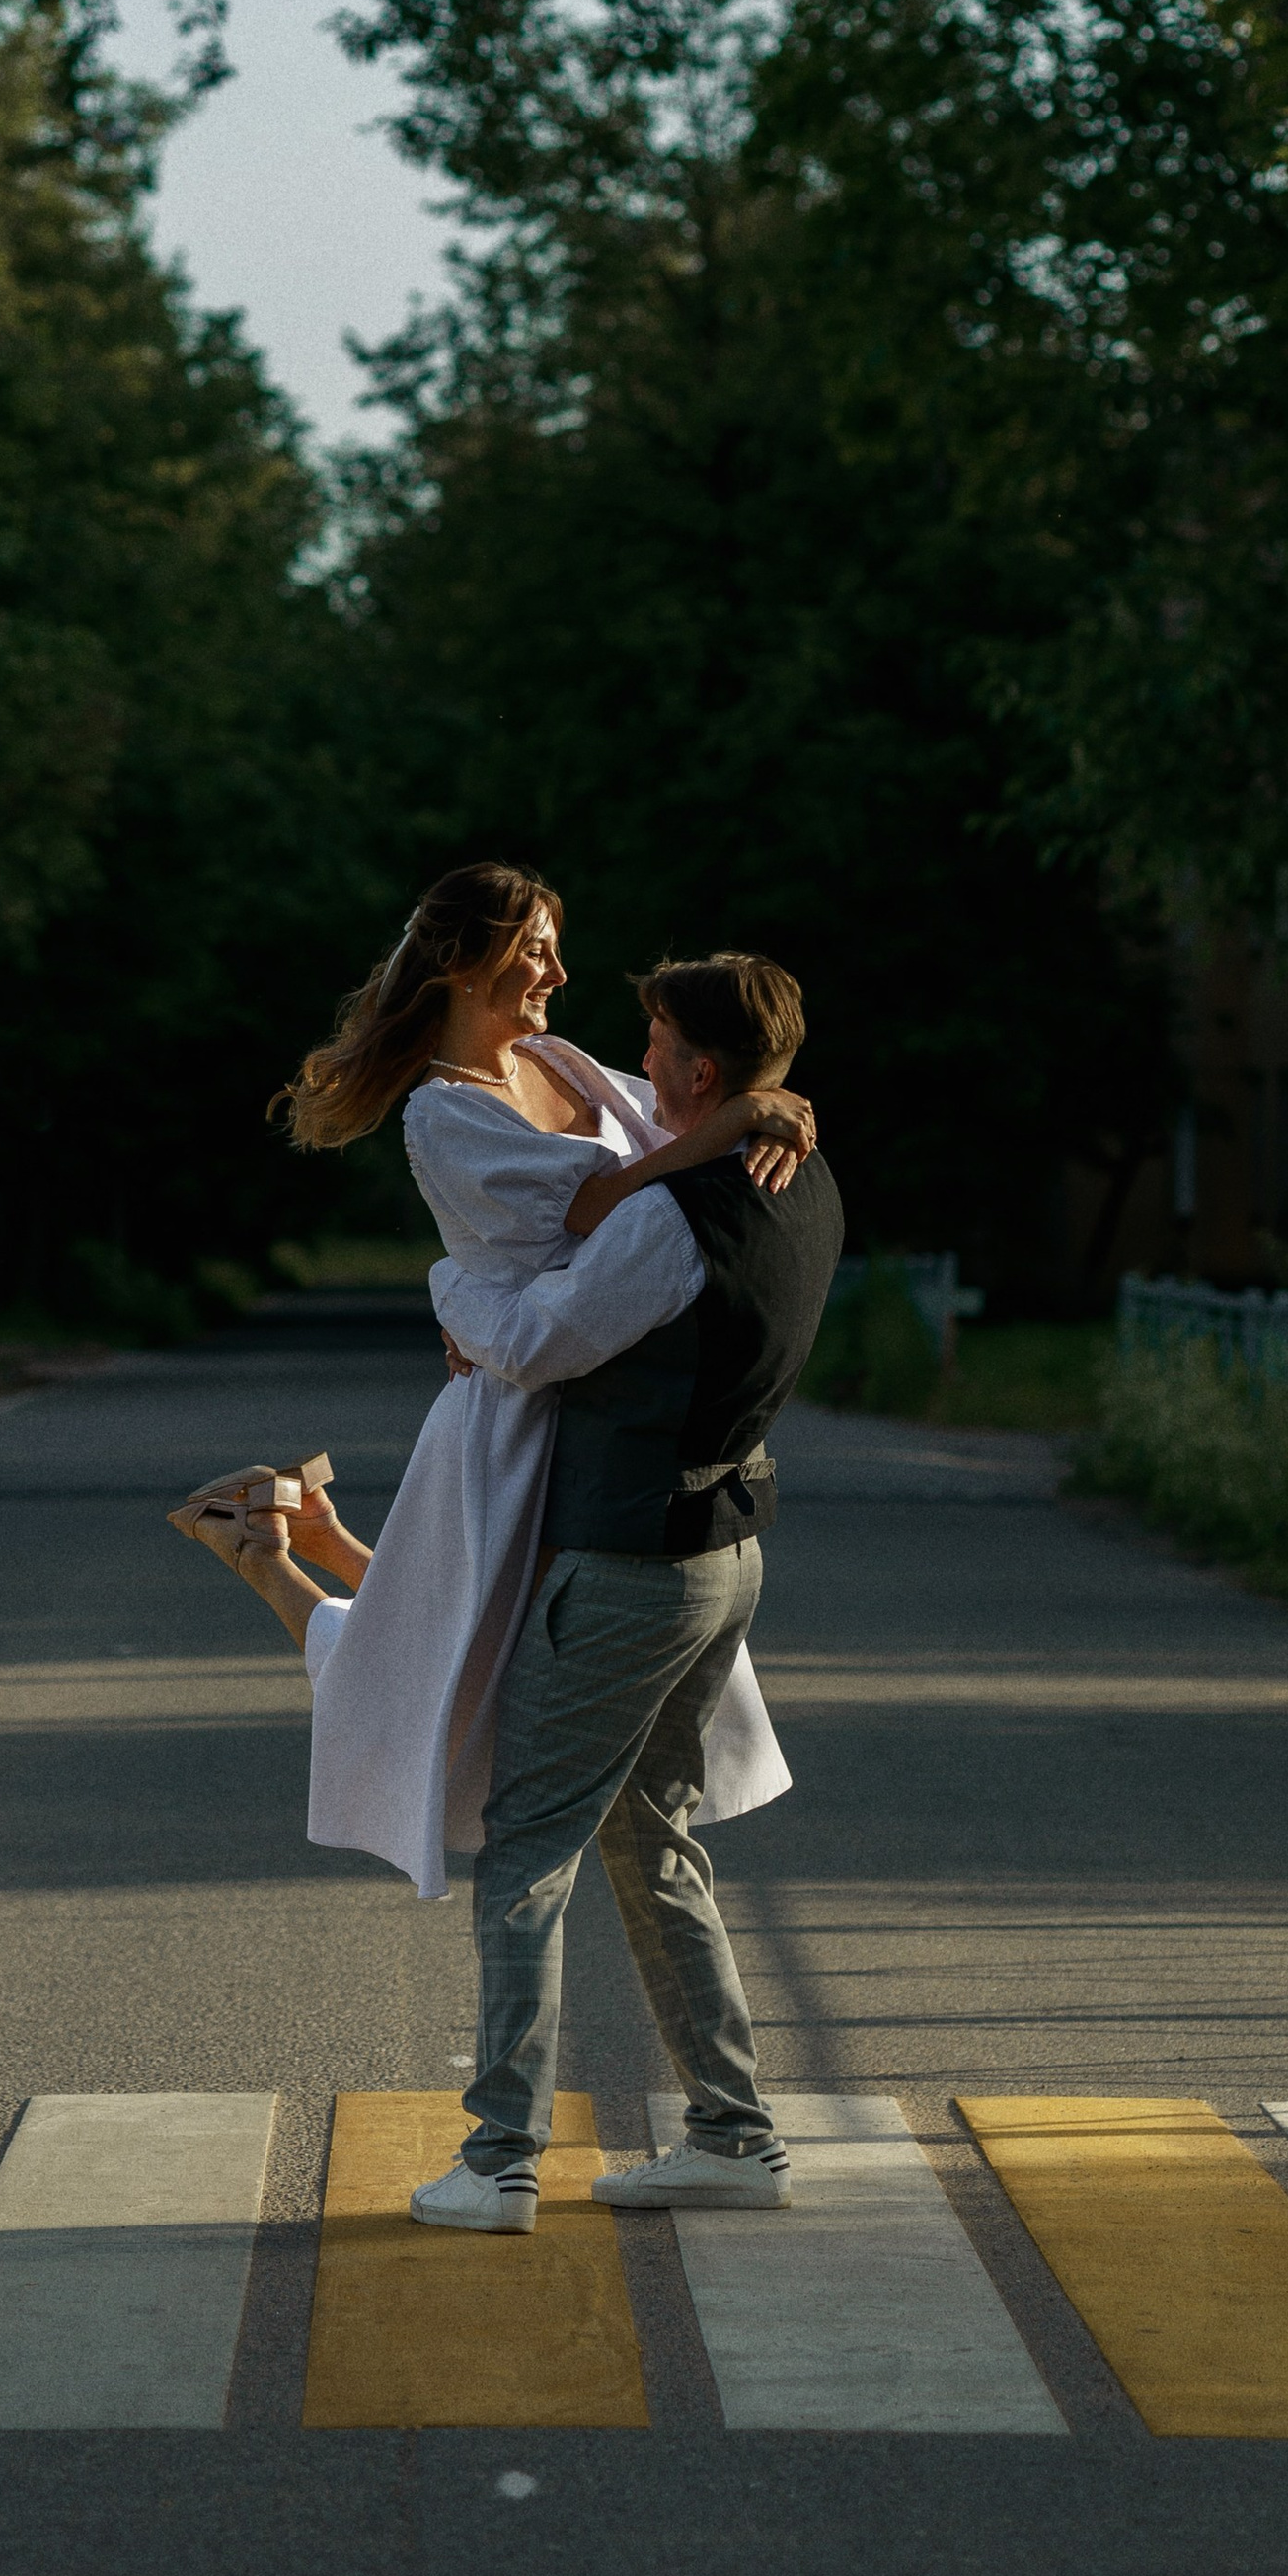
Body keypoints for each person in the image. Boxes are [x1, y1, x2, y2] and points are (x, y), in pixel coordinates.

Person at [165, 865, 814, 1906]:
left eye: (555, 944)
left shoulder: (560, 1060)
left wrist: (760, 1102)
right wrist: (457, 1293)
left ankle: (309, 1542)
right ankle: (274, 1564)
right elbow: (595, 1207)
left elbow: (684, 1121)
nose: (558, 969)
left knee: (482, 1656)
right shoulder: (440, 1113)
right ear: (462, 966)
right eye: (533, 949)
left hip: (594, 1405)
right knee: (443, 1675)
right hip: (518, 1410)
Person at [406, 949, 842, 2236]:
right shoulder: (803, 1178)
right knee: (649, 1835)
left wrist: (451, 1290)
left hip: (630, 1563)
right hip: (723, 1553)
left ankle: (497, 2162)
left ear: (700, 1071)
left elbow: (534, 1344)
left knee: (527, 1849)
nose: (634, 1064)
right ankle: (731, 2134)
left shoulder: (669, 1214)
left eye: (653, 1046)